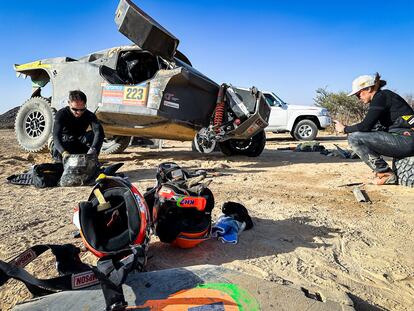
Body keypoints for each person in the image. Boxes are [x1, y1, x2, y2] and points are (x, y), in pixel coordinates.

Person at [334, 73, 414, 185]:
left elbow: (365, 126)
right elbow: (371, 127)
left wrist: (345, 129)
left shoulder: (380, 97)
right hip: (406, 139)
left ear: (369, 88)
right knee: (359, 134)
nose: (359, 98)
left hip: (407, 140)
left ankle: (385, 174)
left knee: (354, 138)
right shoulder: (384, 97)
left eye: (358, 94)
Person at [52, 90, 105, 162]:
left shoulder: (89, 115)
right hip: (65, 145)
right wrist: (63, 152)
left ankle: (91, 160)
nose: (79, 112)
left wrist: (93, 149)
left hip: (79, 142)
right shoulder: (61, 114)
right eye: (75, 109)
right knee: (56, 145)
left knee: (92, 135)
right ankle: (60, 162)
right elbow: (56, 136)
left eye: (82, 109)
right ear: (69, 103)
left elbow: (99, 132)